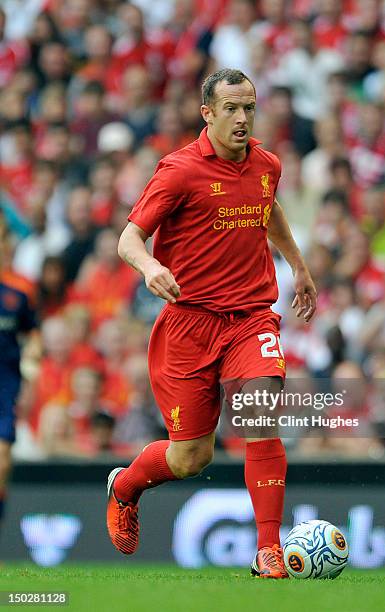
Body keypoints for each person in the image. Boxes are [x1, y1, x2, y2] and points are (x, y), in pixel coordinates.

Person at [106, 68, 317, 579]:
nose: (243, 118)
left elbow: (267, 209)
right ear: (207, 113)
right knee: (189, 458)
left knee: (260, 416)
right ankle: (127, 486)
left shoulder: (267, 164)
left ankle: (268, 550)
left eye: (249, 107)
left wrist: (298, 265)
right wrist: (152, 266)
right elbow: (129, 239)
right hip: (189, 324)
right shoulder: (178, 171)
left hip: (250, 318)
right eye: (231, 109)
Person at [0, 230, 37, 537]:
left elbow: (32, 331)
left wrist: (33, 356)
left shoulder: (19, 289)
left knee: (1, 463)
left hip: (5, 384)